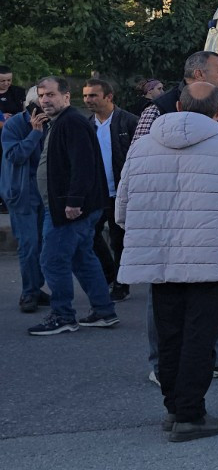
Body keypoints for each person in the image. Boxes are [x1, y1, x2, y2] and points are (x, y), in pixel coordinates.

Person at [117, 82, 218, 442]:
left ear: (180, 104)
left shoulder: (142, 147)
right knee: (202, 338)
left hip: (160, 258)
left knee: (169, 335)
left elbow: (123, 211)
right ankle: (191, 415)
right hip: (213, 258)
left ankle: (173, 409)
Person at [134, 51, 218, 382]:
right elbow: (139, 171)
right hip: (169, 227)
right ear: (200, 73)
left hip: (212, 226)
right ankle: (163, 366)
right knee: (165, 304)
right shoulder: (155, 110)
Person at [27, 77, 117, 335]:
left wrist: (74, 202)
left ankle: (63, 316)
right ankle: (104, 310)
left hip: (68, 209)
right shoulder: (62, 122)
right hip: (69, 206)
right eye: (42, 95)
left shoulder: (72, 122)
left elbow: (84, 165)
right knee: (83, 258)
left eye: (51, 95)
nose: (45, 100)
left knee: (52, 261)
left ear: (66, 97)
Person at [82, 79, 139, 301]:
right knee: (90, 235)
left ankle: (121, 284)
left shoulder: (128, 122)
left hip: (122, 192)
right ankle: (110, 275)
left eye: (93, 95)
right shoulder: (87, 125)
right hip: (96, 193)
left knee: (119, 240)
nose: (88, 100)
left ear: (109, 97)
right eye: (85, 96)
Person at [1, 86, 50, 312]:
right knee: (29, 244)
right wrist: (34, 133)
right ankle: (29, 292)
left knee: (42, 244)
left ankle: (36, 287)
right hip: (21, 193)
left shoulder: (54, 124)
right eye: (40, 105)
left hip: (45, 193)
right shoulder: (14, 125)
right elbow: (15, 155)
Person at [0, 65, 27, 213]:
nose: (6, 83)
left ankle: (8, 199)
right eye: (2, 81)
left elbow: (24, 111)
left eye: (8, 80)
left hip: (13, 134)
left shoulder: (17, 92)